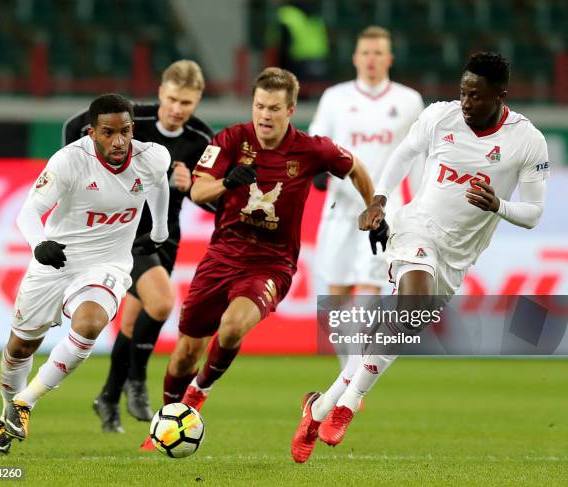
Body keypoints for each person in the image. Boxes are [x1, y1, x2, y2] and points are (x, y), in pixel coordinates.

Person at [291, 51, 549, 463]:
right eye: (463, 92)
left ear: (500, 95)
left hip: (460, 254)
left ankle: (318, 408)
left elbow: (534, 213)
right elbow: (403, 154)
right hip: (417, 228)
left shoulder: (527, 140)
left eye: (476, 96)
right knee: (413, 303)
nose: (466, 103)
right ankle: (349, 404)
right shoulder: (439, 117)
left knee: (400, 326)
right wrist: (379, 200)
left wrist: (498, 204)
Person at [161, 67, 379, 416]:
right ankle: (167, 416)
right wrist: (228, 182)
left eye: (274, 108)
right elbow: (198, 188)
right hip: (222, 255)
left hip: (271, 263)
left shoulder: (311, 149)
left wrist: (374, 208)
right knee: (187, 349)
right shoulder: (230, 140)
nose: (265, 114)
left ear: (290, 110)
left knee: (232, 327)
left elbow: (355, 167)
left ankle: (199, 391)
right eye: (260, 106)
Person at [0, 94, 171, 455]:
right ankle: (7, 417)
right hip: (56, 263)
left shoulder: (151, 157)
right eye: (109, 132)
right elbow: (28, 213)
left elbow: (159, 183)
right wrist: (40, 244)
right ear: (92, 132)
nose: (119, 141)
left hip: (107, 266)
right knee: (20, 347)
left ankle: (25, 403)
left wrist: (160, 230)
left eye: (126, 131)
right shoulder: (69, 161)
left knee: (89, 323)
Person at [63, 61, 213, 433]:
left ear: (197, 101)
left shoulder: (202, 139)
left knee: (131, 322)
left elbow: (212, 197)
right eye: (173, 98)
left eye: (187, 102)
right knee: (162, 302)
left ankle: (108, 400)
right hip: (124, 233)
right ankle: (138, 383)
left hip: (165, 237)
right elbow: (73, 126)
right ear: (161, 91)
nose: (178, 108)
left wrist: (191, 183)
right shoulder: (133, 120)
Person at [313, 26, 424, 298]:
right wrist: (316, 170)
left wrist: (424, 205)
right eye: (365, 53)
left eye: (378, 53)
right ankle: (348, 343)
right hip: (340, 208)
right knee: (336, 293)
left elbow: (420, 157)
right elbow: (316, 145)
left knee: (368, 289)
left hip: (383, 209)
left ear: (390, 59)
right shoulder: (334, 98)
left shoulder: (409, 101)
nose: (371, 59)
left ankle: (363, 343)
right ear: (355, 58)